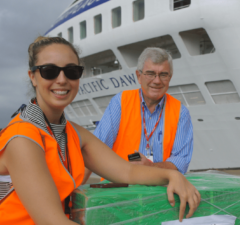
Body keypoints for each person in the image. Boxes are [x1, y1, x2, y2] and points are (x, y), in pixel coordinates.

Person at [0, 37, 200, 224]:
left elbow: (127, 171)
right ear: (33, 77)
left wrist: (172, 176)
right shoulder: (22, 138)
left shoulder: (71, 132)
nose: (61, 80)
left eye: (71, 71)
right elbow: (51, 221)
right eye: (49, 71)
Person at [83, 47, 193, 183]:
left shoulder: (181, 112)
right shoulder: (121, 102)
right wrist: (73, 193)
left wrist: (151, 167)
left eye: (163, 75)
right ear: (138, 76)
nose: (157, 81)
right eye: (150, 73)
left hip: (159, 195)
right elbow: (93, 149)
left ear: (170, 77)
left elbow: (181, 161)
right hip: (116, 192)